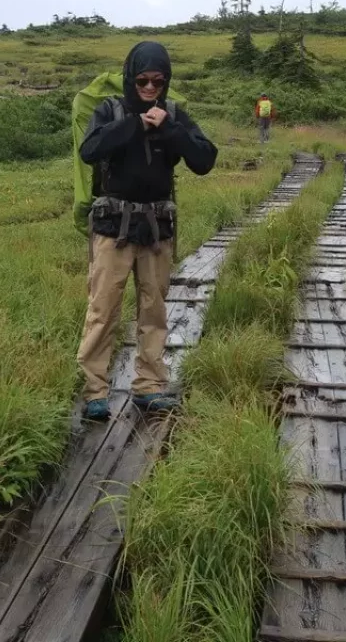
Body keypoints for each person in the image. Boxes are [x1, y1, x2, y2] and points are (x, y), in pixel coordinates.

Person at [76, 41, 217, 420]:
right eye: (142, 80)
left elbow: (205, 159)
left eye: (159, 80)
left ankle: (149, 386)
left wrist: (170, 129)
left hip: (156, 229)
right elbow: (90, 149)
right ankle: (94, 391)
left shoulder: (174, 114)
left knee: (153, 310)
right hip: (112, 227)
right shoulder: (110, 110)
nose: (151, 87)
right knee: (103, 309)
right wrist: (135, 124)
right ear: (129, 78)